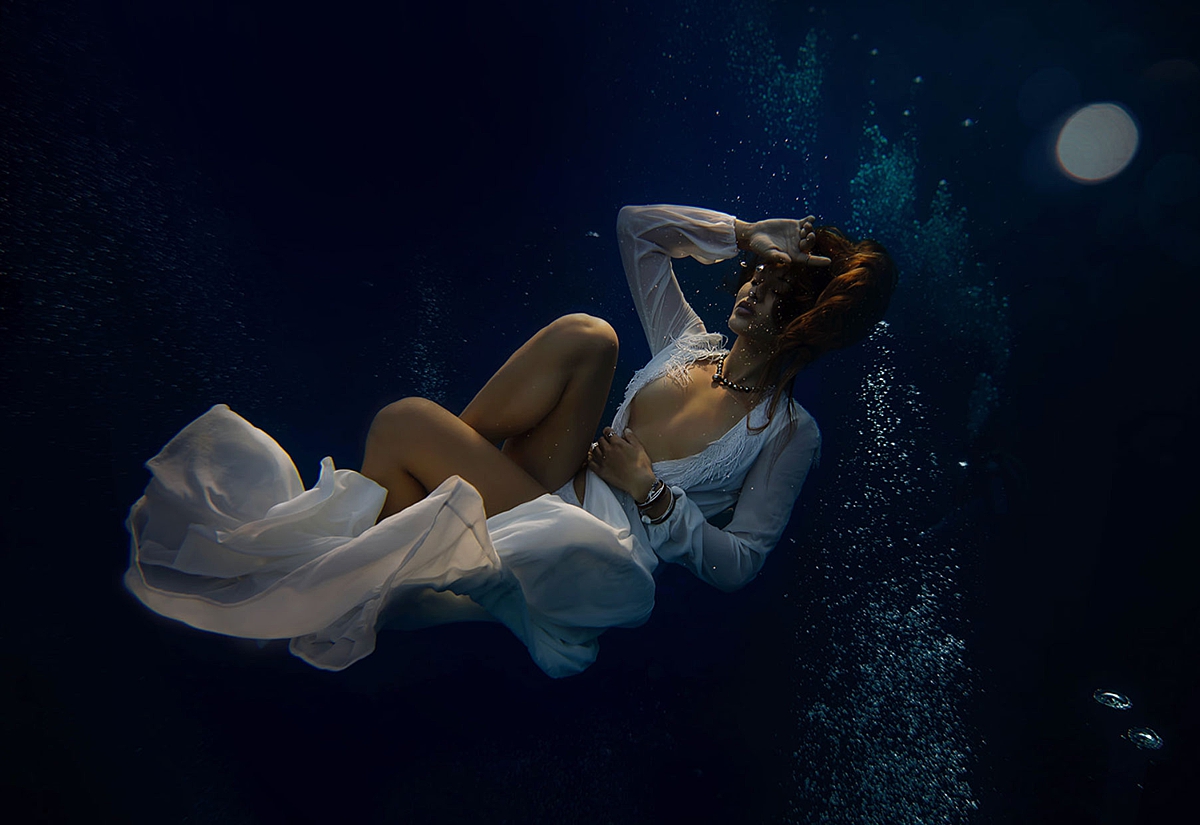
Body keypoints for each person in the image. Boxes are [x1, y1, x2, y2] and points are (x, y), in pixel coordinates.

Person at [125, 205, 896, 677]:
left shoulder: (791, 433)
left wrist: (652, 493)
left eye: (772, 287)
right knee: (588, 338)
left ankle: (411, 530)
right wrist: (739, 234)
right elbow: (637, 229)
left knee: (400, 427)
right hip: (550, 482)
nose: (752, 286)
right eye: (754, 275)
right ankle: (418, 524)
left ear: (802, 323)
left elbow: (742, 564)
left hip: (594, 537)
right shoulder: (686, 344)